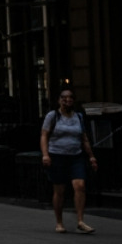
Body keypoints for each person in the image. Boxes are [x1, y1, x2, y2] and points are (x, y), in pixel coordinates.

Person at [40, 88, 98, 233]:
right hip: (57, 155)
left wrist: (91, 156)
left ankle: (80, 221)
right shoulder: (52, 116)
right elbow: (44, 135)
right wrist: (45, 154)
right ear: (59, 100)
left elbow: (84, 138)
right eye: (64, 98)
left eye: (71, 97)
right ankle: (59, 222)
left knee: (80, 185)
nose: (68, 100)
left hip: (75, 156)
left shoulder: (78, 117)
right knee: (59, 190)